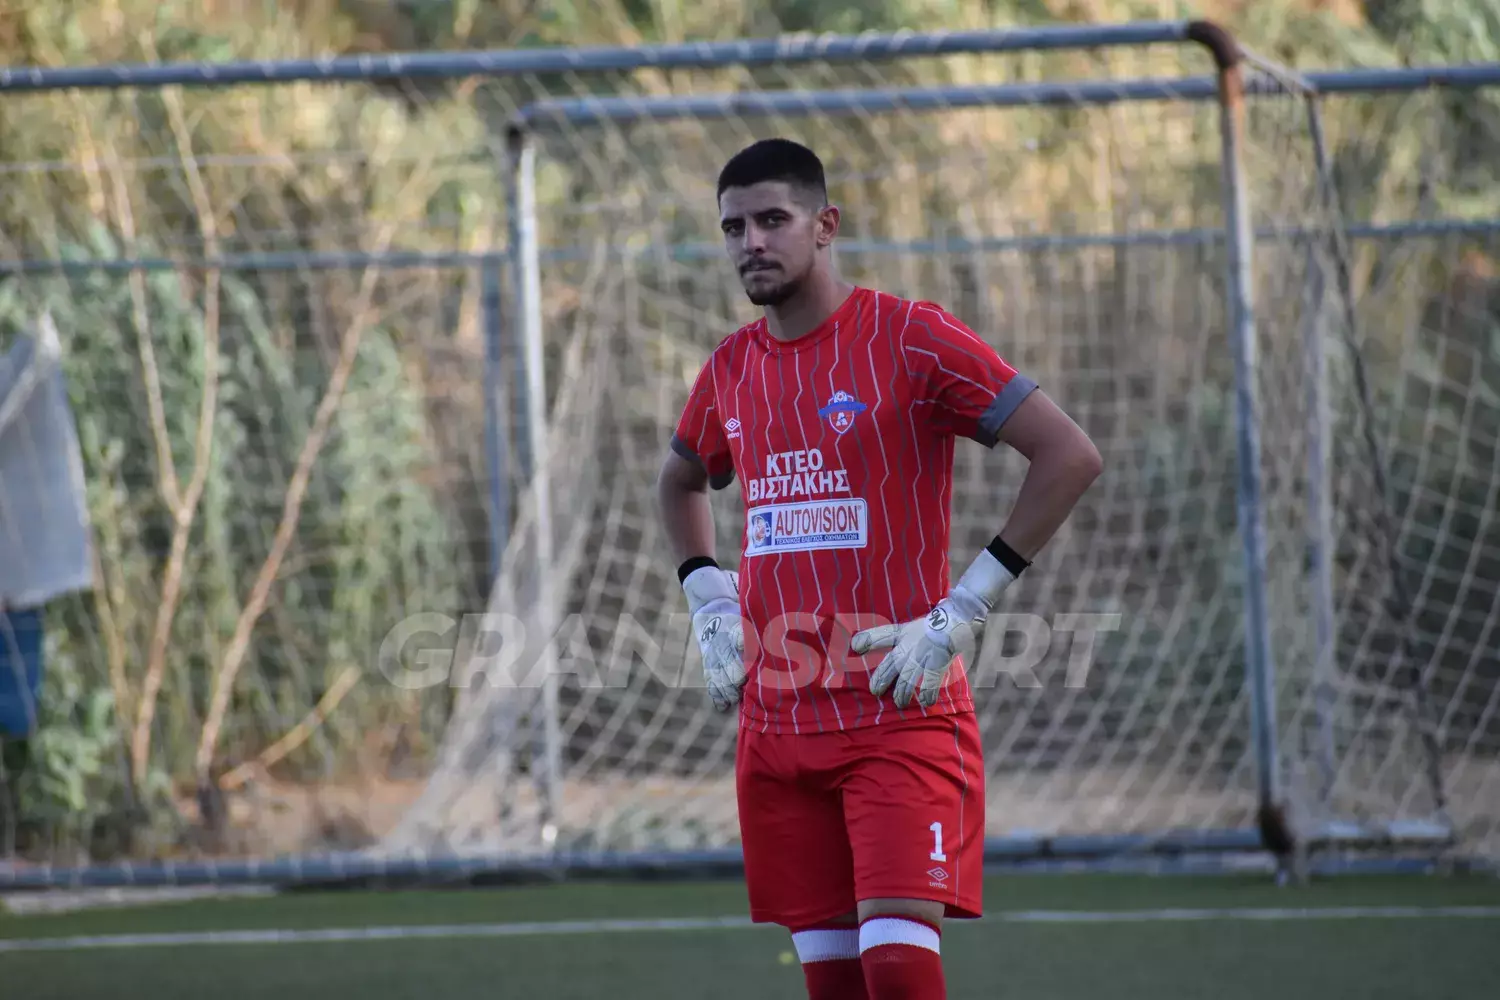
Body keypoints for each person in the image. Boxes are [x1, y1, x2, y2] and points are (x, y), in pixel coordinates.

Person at [656, 138, 1102, 1000]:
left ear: (826, 225)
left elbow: (1068, 455)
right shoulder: (731, 368)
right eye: (734, 227)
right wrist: (707, 599)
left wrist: (965, 607)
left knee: (896, 969)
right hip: (776, 726)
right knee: (834, 985)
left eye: (773, 220)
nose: (752, 242)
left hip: (898, 711)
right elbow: (678, 483)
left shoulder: (912, 337)